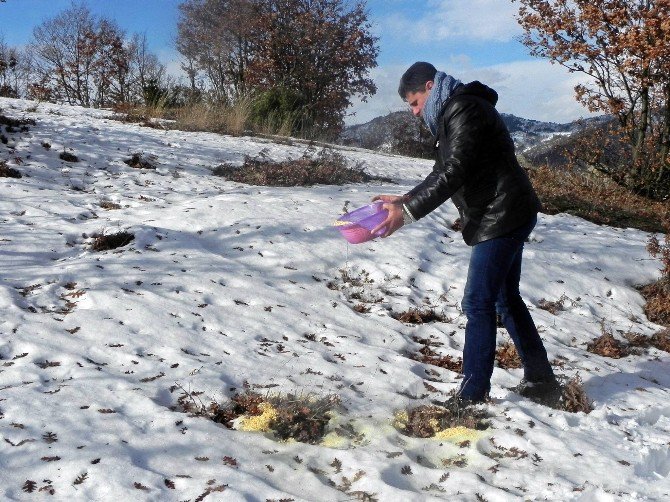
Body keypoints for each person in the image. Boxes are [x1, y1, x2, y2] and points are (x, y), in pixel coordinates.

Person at [372, 61, 559, 404]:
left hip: (502, 214)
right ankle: (541, 380)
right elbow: (441, 170)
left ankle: (473, 394)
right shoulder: (452, 113)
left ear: (430, 87)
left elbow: (454, 170)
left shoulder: (463, 108)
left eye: (414, 103)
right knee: (505, 298)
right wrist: (406, 198)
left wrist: (409, 213)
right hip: (506, 211)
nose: (414, 113)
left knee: (478, 302)